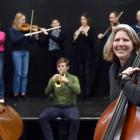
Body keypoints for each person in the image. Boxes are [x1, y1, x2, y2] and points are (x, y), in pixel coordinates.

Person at [39, 57, 80, 140]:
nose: (60, 68)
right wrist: (51, 82)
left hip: (70, 107)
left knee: (75, 119)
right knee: (43, 117)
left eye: (62, 66)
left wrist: (68, 81)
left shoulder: (73, 78)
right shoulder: (54, 78)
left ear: (67, 67)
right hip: (57, 107)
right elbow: (46, 92)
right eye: (58, 66)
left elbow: (78, 91)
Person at [103, 24, 140, 104]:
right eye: (117, 40)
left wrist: (124, 78)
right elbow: (114, 101)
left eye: (125, 40)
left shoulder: (138, 67)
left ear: (133, 45)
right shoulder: (113, 68)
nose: (120, 44)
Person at [8, 12, 38, 101]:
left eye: (25, 19)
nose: (25, 21)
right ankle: (16, 94)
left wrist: (34, 37)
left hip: (26, 52)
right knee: (18, 74)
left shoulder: (26, 29)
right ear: (18, 19)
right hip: (16, 53)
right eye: (23, 19)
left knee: (24, 74)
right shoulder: (12, 29)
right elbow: (14, 40)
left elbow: (31, 42)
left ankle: (23, 93)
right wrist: (24, 35)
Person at [73, 13, 96, 99]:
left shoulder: (91, 29)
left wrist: (86, 33)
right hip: (80, 55)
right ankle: (81, 92)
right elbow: (74, 43)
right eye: (81, 19)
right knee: (81, 73)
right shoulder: (79, 29)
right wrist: (76, 36)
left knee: (87, 73)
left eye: (84, 19)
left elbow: (92, 41)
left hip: (88, 55)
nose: (82, 21)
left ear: (87, 20)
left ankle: (88, 93)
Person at [0, 30, 6, 103]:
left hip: (0, 54)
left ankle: (1, 95)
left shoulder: (2, 33)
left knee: (0, 76)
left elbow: (1, 40)